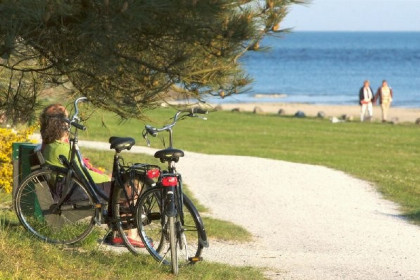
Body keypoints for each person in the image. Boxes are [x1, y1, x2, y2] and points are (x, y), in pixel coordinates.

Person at [39, 104, 144, 247]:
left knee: (122, 186)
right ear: (60, 124)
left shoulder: (52, 145)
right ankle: (129, 235)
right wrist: (107, 178)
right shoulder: (60, 148)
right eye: (67, 120)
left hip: (70, 188)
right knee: (130, 188)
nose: (69, 123)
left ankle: (119, 233)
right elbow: (83, 175)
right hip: (75, 191)